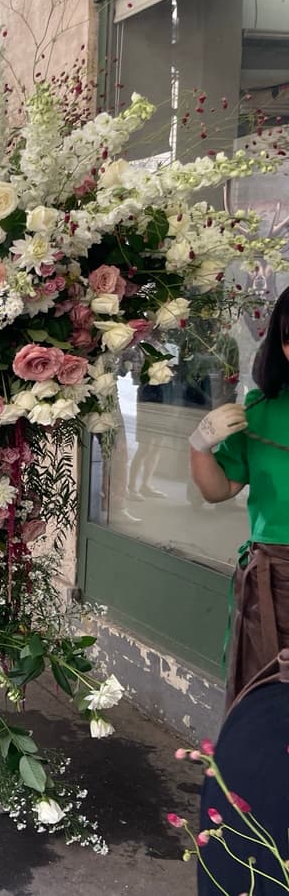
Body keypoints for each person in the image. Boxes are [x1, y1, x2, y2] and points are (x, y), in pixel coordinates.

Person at [189, 286, 289, 710]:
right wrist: (199, 444)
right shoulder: (261, 409)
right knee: (268, 710)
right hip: (276, 586)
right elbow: (218, 490)